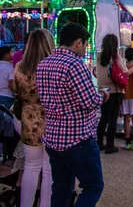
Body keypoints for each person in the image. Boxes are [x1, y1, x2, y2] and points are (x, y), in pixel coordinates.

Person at [36, 23, 110, 207]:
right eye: (85, 44)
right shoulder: (75, 65)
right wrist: (102, 95)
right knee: (93, 186)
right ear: (78, 42)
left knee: (61, 189)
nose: (86, 49)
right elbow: (89, 102)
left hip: (53, 137)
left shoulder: (44, 64)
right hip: (78, 138)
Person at [13, 29, 55, 207]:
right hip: (51, 122)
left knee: (30, 167)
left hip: (28, 121)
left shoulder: (20, 67)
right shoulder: (53, 67)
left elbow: (17, 90)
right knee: (48, 169)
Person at [96, 34, 133, 154]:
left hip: (103, 91)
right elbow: (126, 73)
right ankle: (110, 145)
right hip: (115, 92)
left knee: (103, 118)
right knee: (113, 119)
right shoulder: (116, 57)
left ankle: (99, 143)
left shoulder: (99, 56)